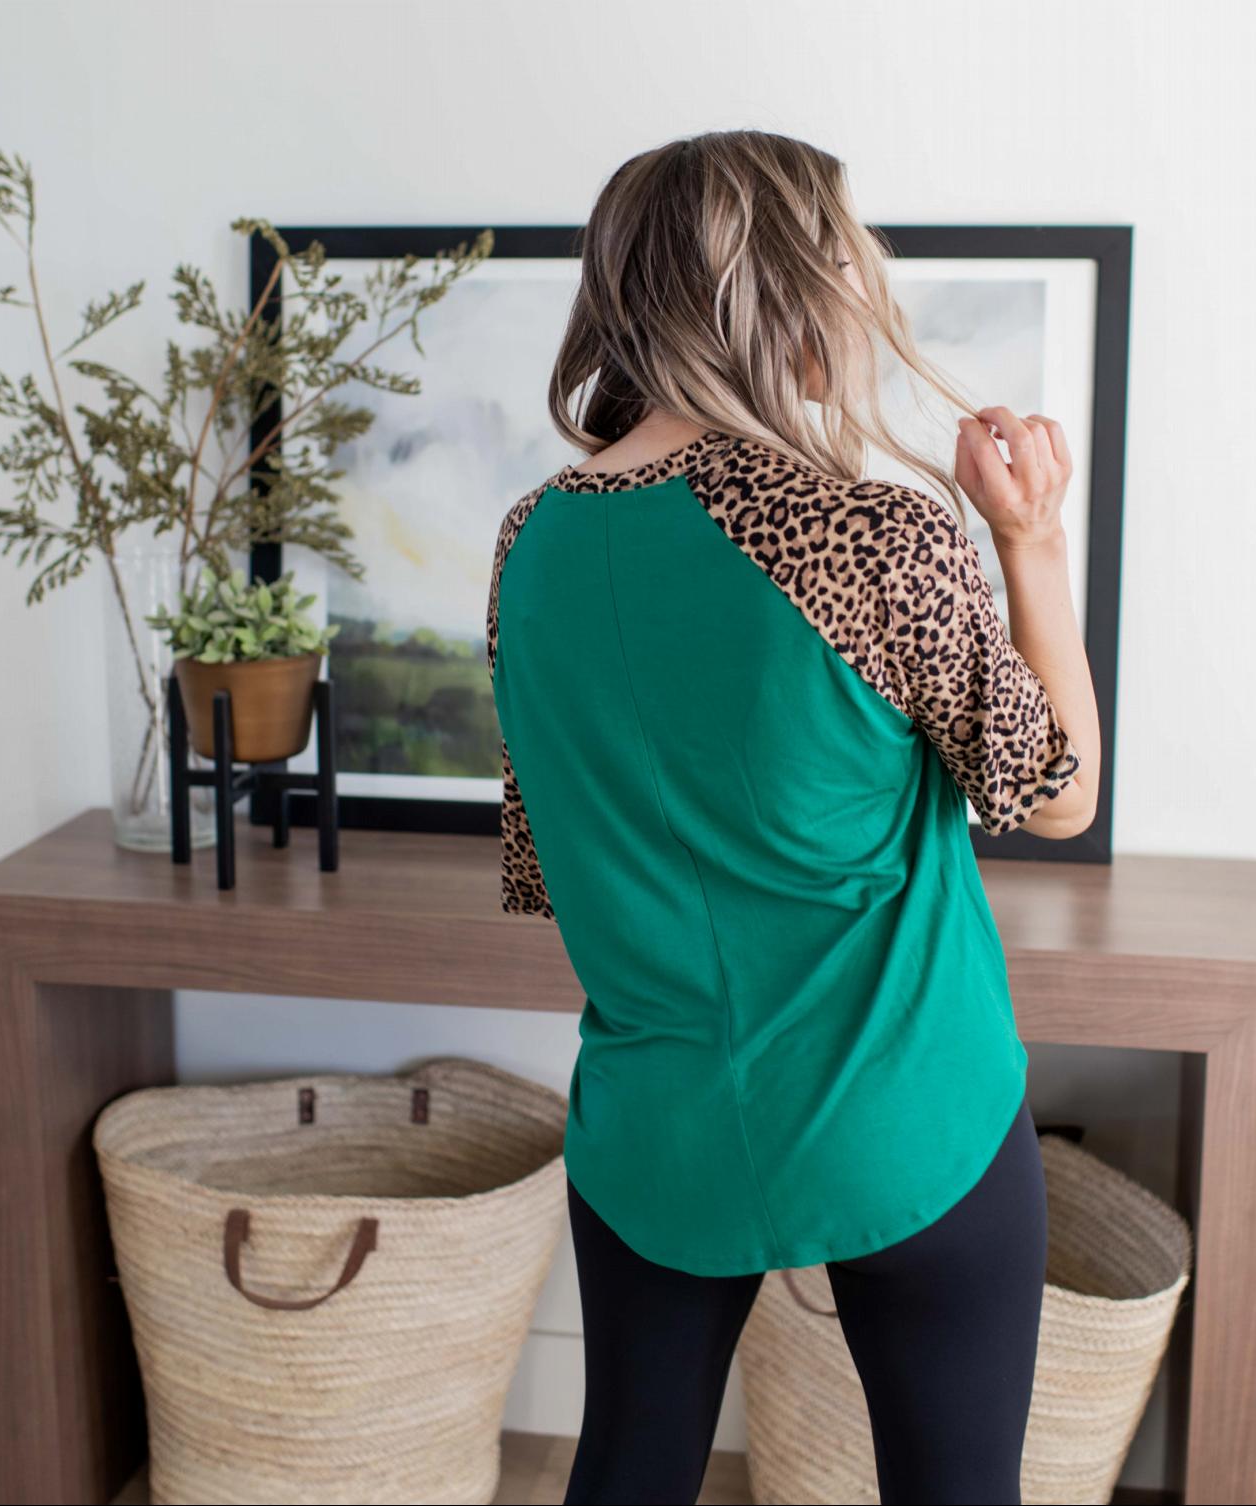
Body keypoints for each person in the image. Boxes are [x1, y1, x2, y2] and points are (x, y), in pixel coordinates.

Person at [485, 129, 1101, 1506]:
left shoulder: (527, 548)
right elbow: (1061, 793)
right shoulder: (879, 533)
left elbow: (549, 863)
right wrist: (1035, 541)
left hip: (658, 1125)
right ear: (792, 292)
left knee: (628, 1468)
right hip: (904, 1120)